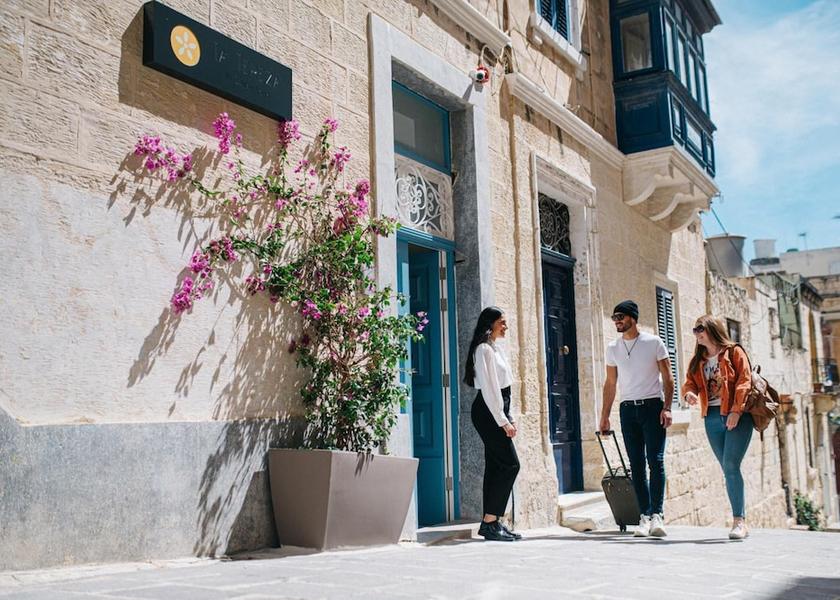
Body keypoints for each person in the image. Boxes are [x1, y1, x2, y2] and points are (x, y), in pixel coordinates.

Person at [599, 300, 673, 538]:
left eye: (620, 317)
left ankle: (658, 515)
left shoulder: (654, 343)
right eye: (614, 318)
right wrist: (605, 416)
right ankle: (644, 516)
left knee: (656, 461)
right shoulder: (613, 348)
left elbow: (668, 378)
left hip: (653, 407)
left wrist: (668, 407)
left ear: (633, 317)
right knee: (637, 466)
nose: (617, 321)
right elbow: (610, 384)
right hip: (627, 410)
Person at [681, 315, 753, 540]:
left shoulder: (734, 352)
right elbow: (690, 383)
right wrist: (689, 393)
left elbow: (744, 381)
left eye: (699, 329)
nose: (696, 333)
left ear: (712, 329)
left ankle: (739, 522)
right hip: (711, 418)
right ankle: (739, 518)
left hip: (736, 416)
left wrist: (736, 411)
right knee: (727, 467)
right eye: (694, 330)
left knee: (731, 464)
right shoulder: (698, 360)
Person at [464, 306, 521, 542]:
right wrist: (502, 420)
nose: (506, 326)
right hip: (488, 411)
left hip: (497, 408)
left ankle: (492, 522)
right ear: (491, 324)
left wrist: (510, 415)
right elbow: (489, 389)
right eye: (503, 322)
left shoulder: (495, 348)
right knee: (510, 465)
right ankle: (489, 521)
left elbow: (505, 387)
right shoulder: (483, 350)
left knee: (497, 465)